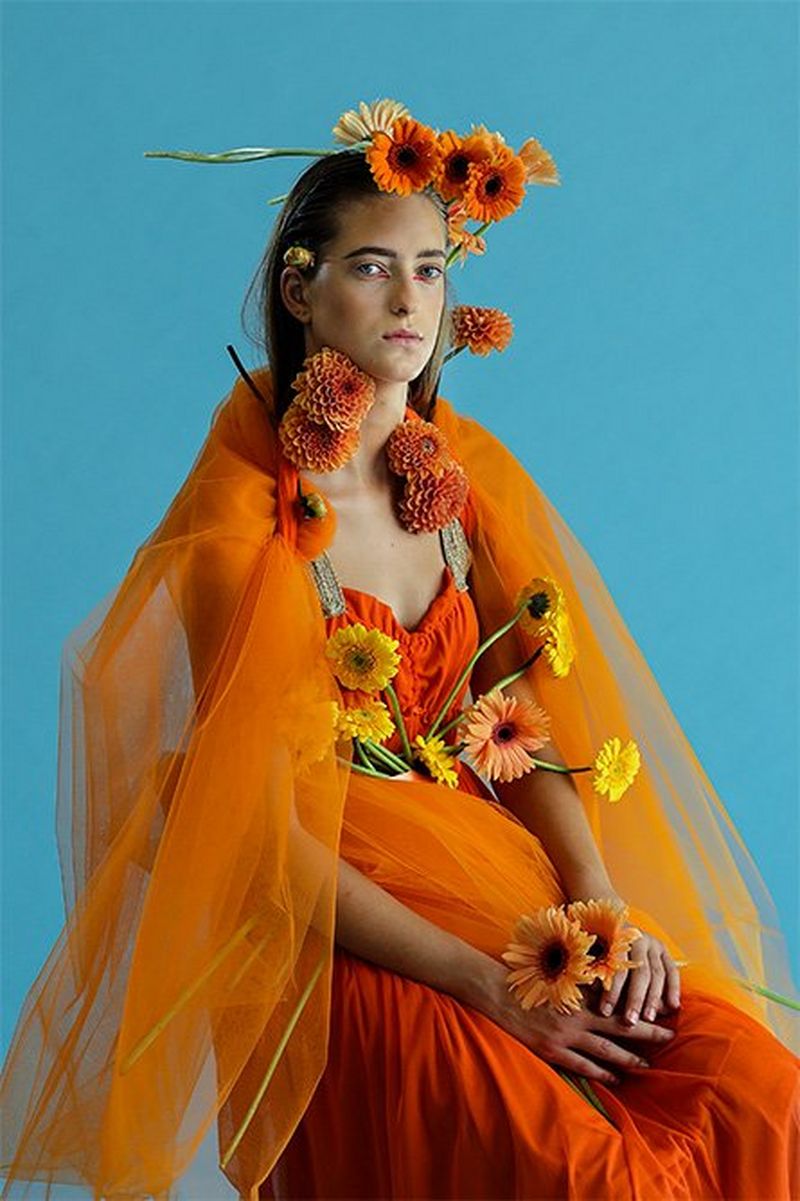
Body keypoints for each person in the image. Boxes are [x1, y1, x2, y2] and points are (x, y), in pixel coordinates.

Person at [0, 102, 797, 1201]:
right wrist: (486, 987)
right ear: (300, 291)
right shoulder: (244, 530)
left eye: (428, 268)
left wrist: (600, 905)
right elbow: (257, 834)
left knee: (754, 1089)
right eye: (371, 266)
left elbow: (517, 716)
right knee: (590, 1171)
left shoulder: (461, 480)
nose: (410, 298)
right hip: (345, 928)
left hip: (488, 883)